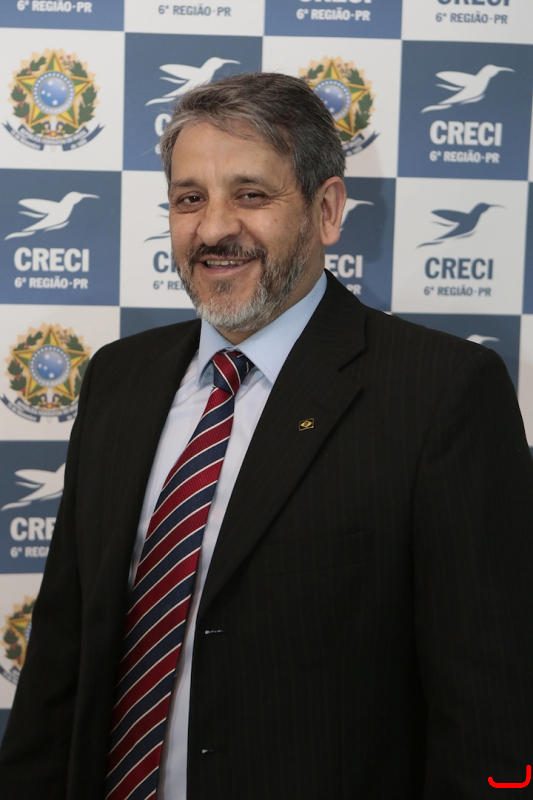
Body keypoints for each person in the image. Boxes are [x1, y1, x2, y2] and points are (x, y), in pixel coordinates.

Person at [0, 72, 532, 800]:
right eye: (190, 198)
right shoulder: (118, 379)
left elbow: (491, 710)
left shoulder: (441, 393)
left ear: (327, 210)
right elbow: (60, 661)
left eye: (250, 195)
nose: (214, 229)